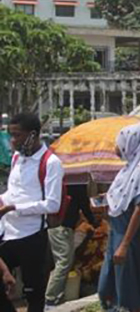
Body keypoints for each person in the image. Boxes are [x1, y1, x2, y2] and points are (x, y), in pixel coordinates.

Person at [0, 113, 63, 312]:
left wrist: (14, 208)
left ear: (32, 135)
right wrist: (3, 200)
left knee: (34, 295)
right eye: (11, 135)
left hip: (32, 236)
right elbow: (14, 192)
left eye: (17, 135)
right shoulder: (17, 158)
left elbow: (52, 204)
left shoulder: (51, 162)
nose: (13, 140)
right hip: (8, 233)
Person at [98, 122, 140, 312]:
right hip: (117, 235)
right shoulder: (128, 169)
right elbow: (123, 198)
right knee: (108, 287)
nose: (116, 147)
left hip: (131, 239)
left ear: (133, 143)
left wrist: (124, 245)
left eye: (121, 142)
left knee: (130, 291)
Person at [46, 184, 99, 306]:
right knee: (64, 262)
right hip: (62, 227)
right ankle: (51, 297)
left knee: (60, 262)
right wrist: (93, 221)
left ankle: (55, 294)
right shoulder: (77, 184)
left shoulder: (59, 182)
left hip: (54, 225)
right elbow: (84, 204)